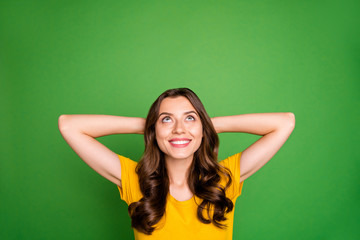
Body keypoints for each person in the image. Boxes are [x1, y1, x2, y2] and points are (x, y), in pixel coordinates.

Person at [58, 88, 295, 240]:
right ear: (154, 130)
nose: (179, 129)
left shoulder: (224, 178)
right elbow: (68, 125)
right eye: (167, 119)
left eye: (190, 118)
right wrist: (150, 125)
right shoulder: (134, 179)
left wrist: (206, 125)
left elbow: (285, 122)